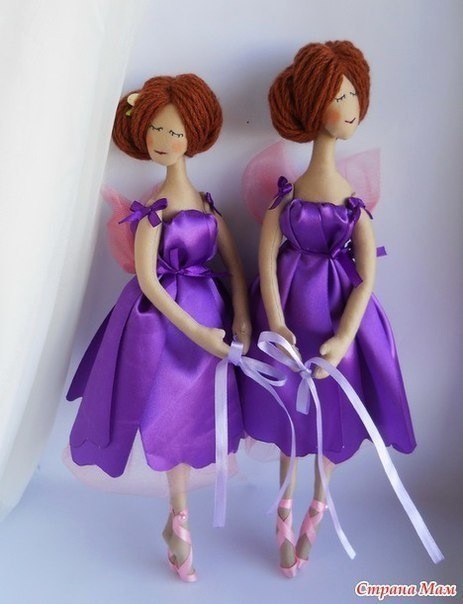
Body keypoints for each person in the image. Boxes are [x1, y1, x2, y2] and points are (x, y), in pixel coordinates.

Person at [241, 41, 416, 577]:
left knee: (332, 411)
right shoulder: (286, 200)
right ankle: (286, 508)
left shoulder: (354, 206)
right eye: (341, 97)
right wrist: (275, 320)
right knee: (289, 413)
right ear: (315, 105)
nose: (352, 107)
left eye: (354, 95)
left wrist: (344, 336)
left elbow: (366, 279)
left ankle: (318, 506)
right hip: (290, 317)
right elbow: (266, 259)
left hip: (338, 320)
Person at [66, 73, 250, 582]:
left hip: (210, 317)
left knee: (195, 415)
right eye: (155, 130)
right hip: (165, 327)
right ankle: (180, 516)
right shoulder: (153, 214)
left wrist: (240, 315)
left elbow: (235, 267)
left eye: (174, 131)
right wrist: (198, 332)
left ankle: (178, 518)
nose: (162, 140)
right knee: (164, 410)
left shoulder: (207, 206)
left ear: (194, 135)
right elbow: (148, 280)